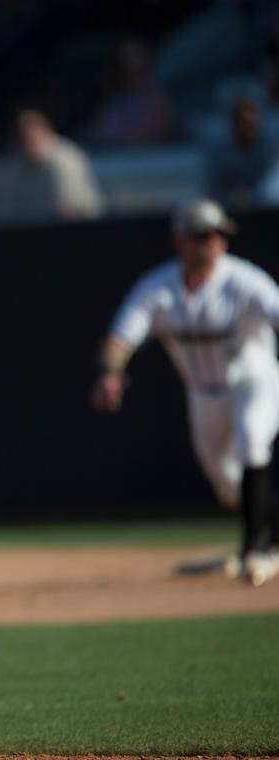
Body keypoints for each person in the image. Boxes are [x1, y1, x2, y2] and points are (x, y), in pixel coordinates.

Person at [91, 199, 279, 588]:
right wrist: (111, 372)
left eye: (218, 235)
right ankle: (271, 536)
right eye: (202, 235)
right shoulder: (158, 288)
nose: (212, 243)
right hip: (203, 396)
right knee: (228, 485)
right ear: (180, 240)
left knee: (252, 440)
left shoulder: (245, 280)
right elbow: (120, 339)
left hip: (255, 382)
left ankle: (255, 550)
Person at [0, 109, 104, 222]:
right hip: (27, 233)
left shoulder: (65, 159)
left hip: (80, 229)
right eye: (24, 139)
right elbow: (3, 212)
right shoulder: (13, 164)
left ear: (47, 133)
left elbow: (67, 211)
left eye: (34, 138)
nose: (30, 143)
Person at [207, 98, 278, 209]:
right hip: (231, 209)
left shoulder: (271, 150)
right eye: (245, 124)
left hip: (266, 210)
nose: (250, 128)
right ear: (235, 125)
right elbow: (214, 188)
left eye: (253, 124)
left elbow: (270, 188)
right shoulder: (221, 154)